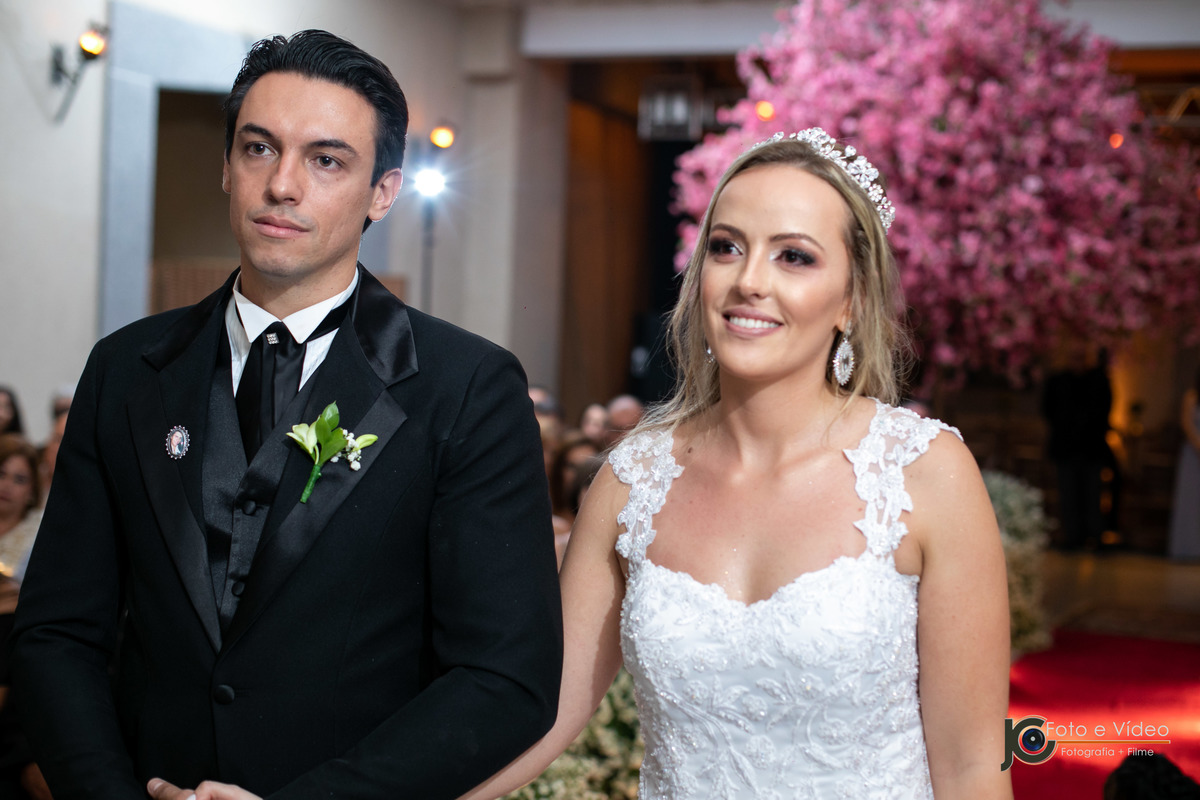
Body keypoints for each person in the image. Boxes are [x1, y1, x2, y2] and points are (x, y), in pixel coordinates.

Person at [10, 30, 561, 800]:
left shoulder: (465, 387)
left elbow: (504, 678)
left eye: (326, 160)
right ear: (226, 166)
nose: (282, 185)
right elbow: (57, 631)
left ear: (383, 192)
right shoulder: (126, 369)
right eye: (259, 148)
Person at [462, 129, 1011, 798]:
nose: (749, 281)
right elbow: (543, 713)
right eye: (726, 248)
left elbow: (973, 765)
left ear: (854, 300)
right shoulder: (632, 481)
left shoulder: (925, 474)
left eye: (794, 257)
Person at [1167, 370, 1200, 560]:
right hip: (1192, 455)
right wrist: (1198, 445)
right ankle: (1186, 547)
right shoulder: (1191, 396)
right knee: (1189, 499)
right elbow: (1186, 423)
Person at [0, 436, 40, 581]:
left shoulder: (40, 534)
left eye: (19, 480)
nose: (6, 486)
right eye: (1, 474)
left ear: (32, 490)